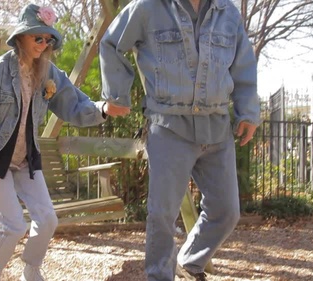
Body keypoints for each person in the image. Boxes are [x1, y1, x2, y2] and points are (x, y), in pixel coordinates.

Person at [99, 0, 261, 280]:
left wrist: (247, 112)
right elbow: (112, 44)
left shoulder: (228, 12)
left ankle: (189, 262)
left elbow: (243, 65)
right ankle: (160, 275)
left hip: (217, 126)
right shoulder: (148, 7)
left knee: (226, 210)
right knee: (162, 213)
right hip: (169, 124)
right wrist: (116, 95)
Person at [0, 4, 127, 281]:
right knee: (15, 226)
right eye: (37, 37)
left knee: (48, 219)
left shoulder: (48, 73)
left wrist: (101, 109)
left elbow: (73, 103)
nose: (42, 44)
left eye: (47, 39)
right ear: (21, 38)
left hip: (26, 161)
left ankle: (31, 267)